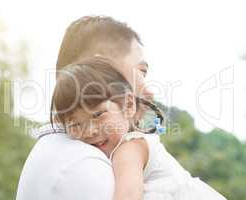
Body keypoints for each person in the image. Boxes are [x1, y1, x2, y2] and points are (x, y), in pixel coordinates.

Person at [17, 16, 158, 199]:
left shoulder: (61, 152)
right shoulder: (85, 165)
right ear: (101, 68)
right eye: (141, 71)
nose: (150, 92)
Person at [50, 56, 227, 200]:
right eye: (74, 124)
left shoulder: (129, 148)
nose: (89, 131)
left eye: (98, 115)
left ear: (128, 105)